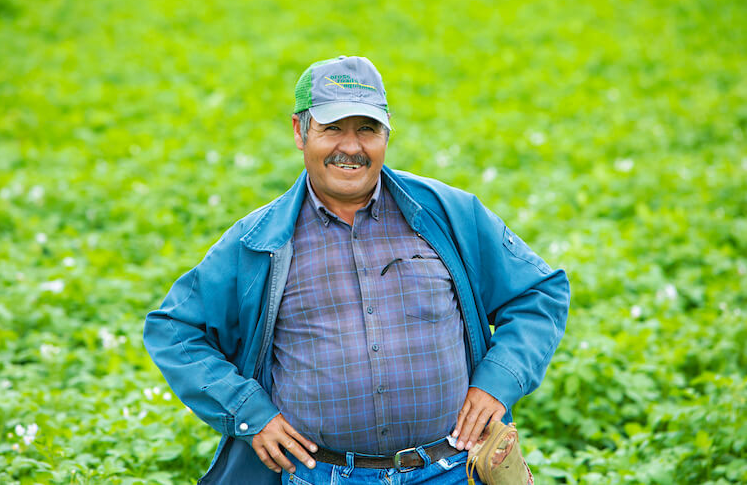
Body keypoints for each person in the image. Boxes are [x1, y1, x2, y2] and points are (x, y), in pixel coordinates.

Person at [144, 55, 570, 485]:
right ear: (299, 131)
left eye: (367, 129)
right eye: (332, 128)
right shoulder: (259, 240)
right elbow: (176, 330)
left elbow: (539, 293)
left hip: (453, 469)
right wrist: (249, 411)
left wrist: (497, 381)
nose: (351, 147)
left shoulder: (447, 214)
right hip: (321, 475)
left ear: (386, 133)